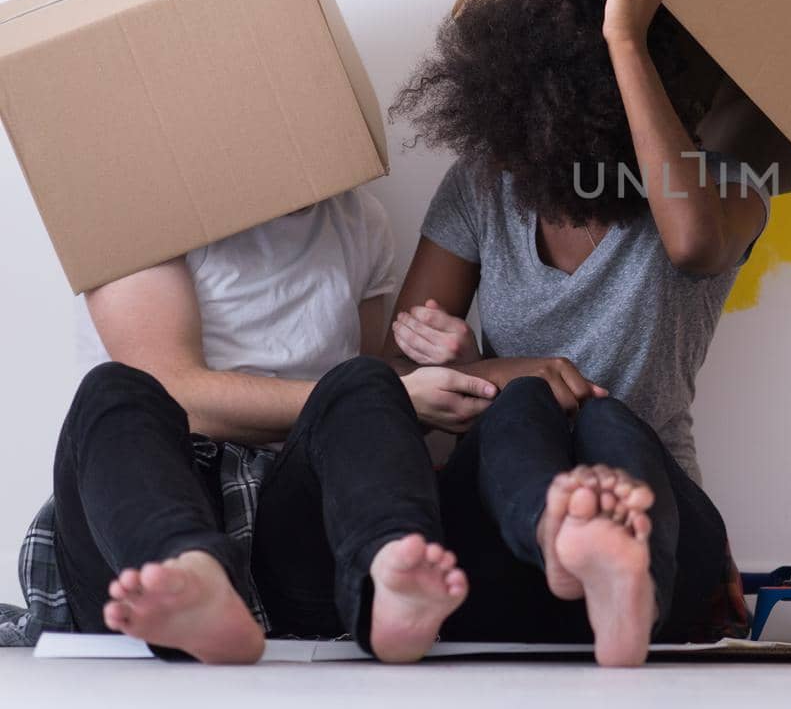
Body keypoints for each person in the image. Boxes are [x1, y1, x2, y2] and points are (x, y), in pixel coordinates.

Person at [386, 0, 768, 666]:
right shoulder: (482, 187)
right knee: (527, 401)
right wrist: (483, 370)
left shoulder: (721, 186)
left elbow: (692, 245)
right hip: (502, 544)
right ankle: (571, 542)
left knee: (609, 421)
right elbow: (398, 374)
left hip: (660, 526)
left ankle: (621, 570)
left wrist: (625, 38)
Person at [27, 188, 496, 662]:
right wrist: (399, 396)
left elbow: (351, 404)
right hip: (151, 506)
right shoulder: (139, 205)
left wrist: (432, 377)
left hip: (288, 525)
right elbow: (178, 393)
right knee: (112, 388)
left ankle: (393, 573)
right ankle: (189, 579)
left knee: (367, 379)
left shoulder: (360, 218)